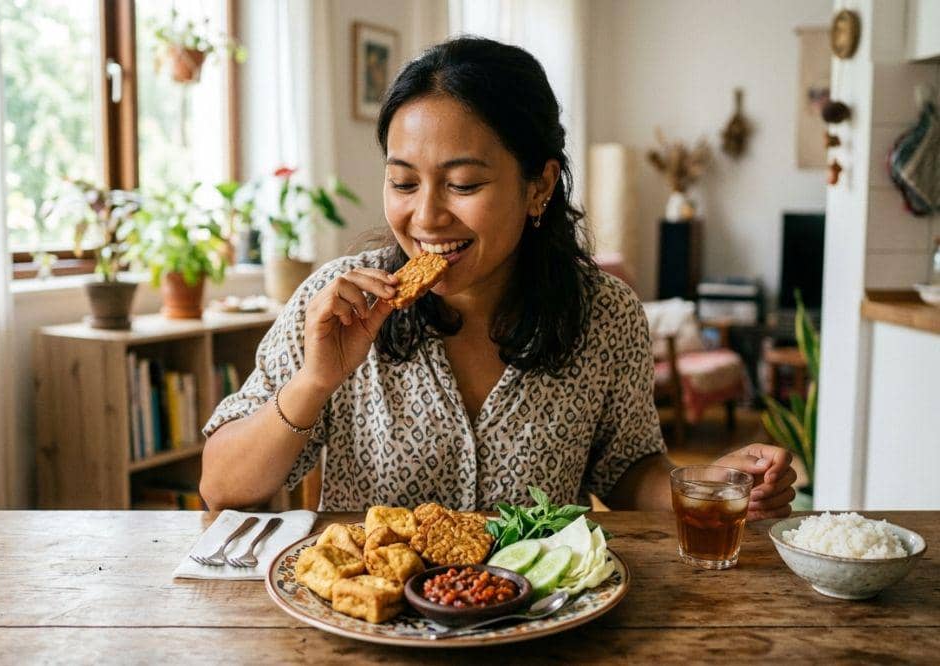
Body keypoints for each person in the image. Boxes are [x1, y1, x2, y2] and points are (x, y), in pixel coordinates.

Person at [200, 37, 796, 518]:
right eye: (403, 183)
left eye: (463, 184)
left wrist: (704, 483)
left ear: (537, 185)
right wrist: (313, 381)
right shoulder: (335, 303)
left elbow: (625, 470)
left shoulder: (605, 314)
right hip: (371, 623)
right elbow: (221, 488)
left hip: (537, 622)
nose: (426, 216)